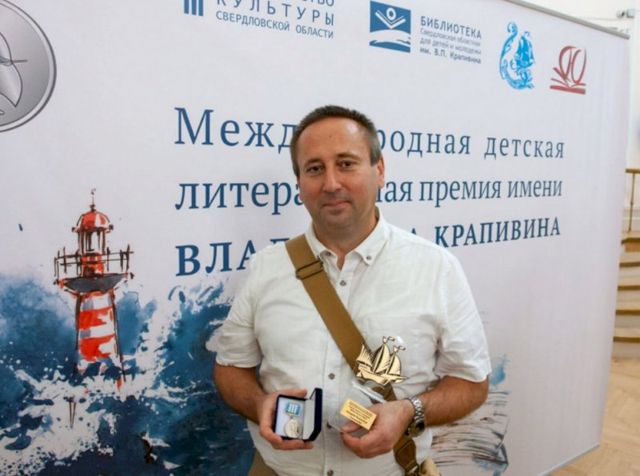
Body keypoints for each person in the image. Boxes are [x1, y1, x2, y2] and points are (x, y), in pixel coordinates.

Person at [213, 105, 491, 476]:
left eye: (346, 164)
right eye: (315, 169)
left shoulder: (437, 268)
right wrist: (258, 404)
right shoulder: (266, 267)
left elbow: (471, 383)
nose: (331, 183)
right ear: (299, 184)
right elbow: (231, 369)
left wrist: (409, 411)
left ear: (380, 170)